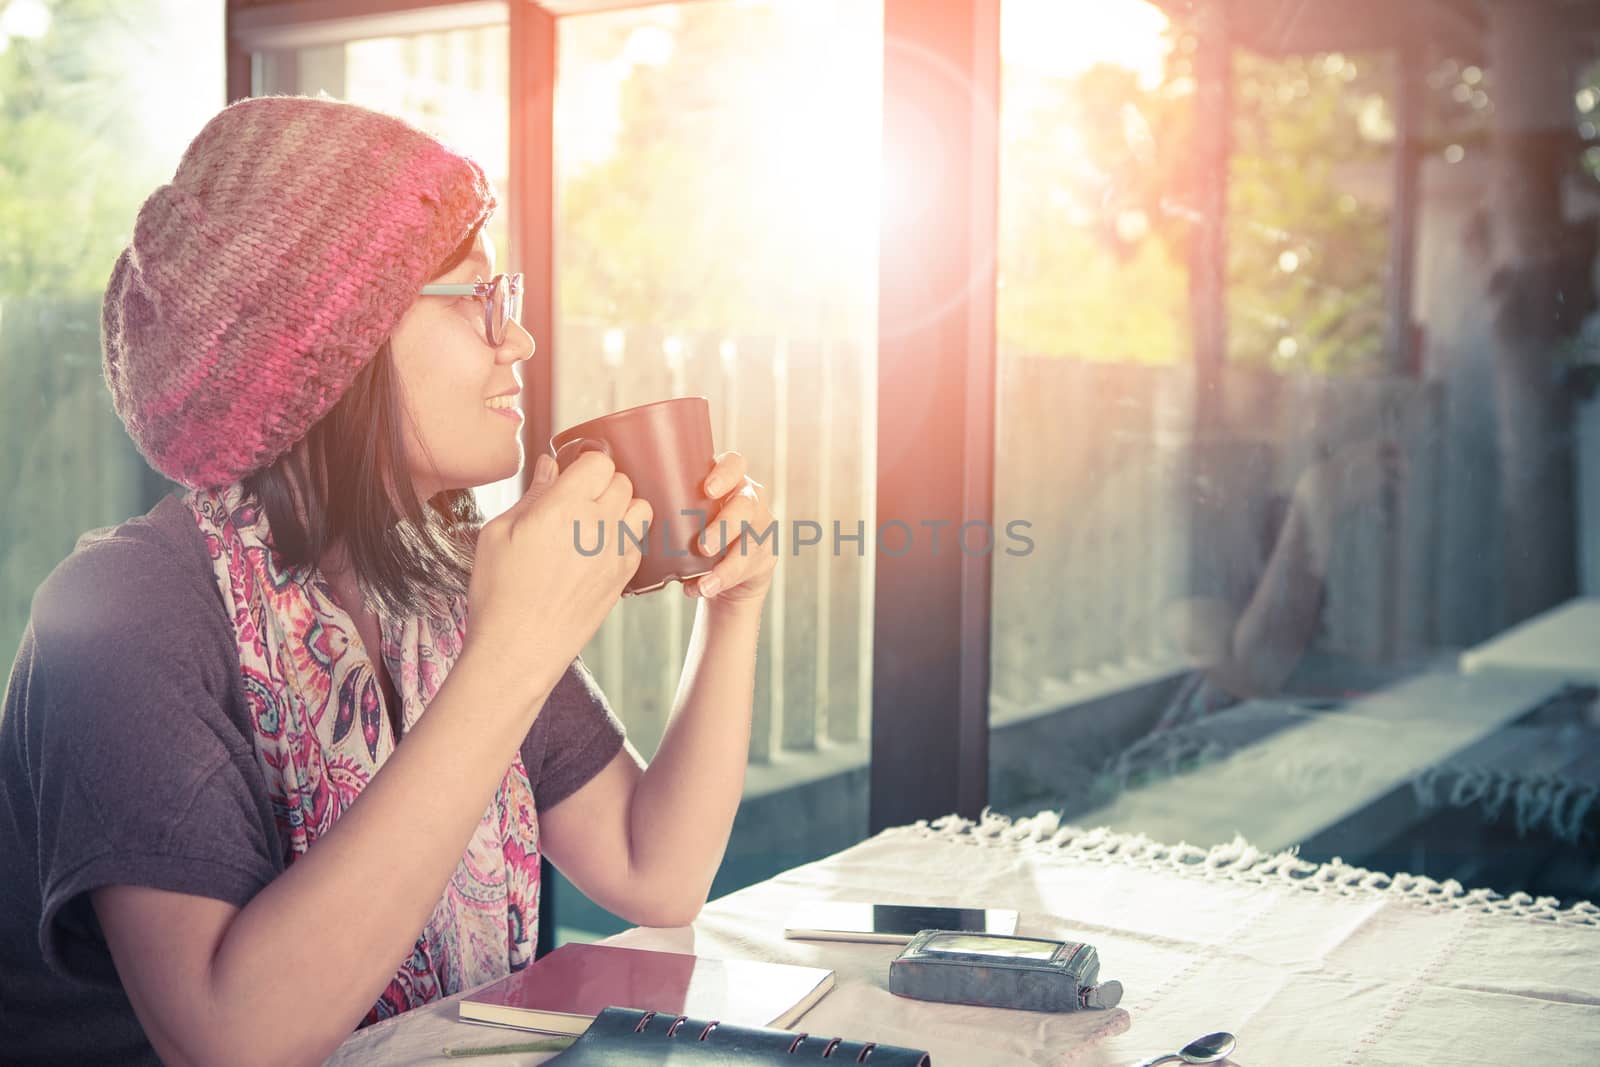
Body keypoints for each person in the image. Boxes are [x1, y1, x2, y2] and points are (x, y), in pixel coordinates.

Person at [0, 95, 778, 1067]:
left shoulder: (437, 583)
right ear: (333, 341)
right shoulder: (118, 618)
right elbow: (234, 1035)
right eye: (480, 300)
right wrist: (513, 653)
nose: (520, 343)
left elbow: (652, 866)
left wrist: (733, 610)